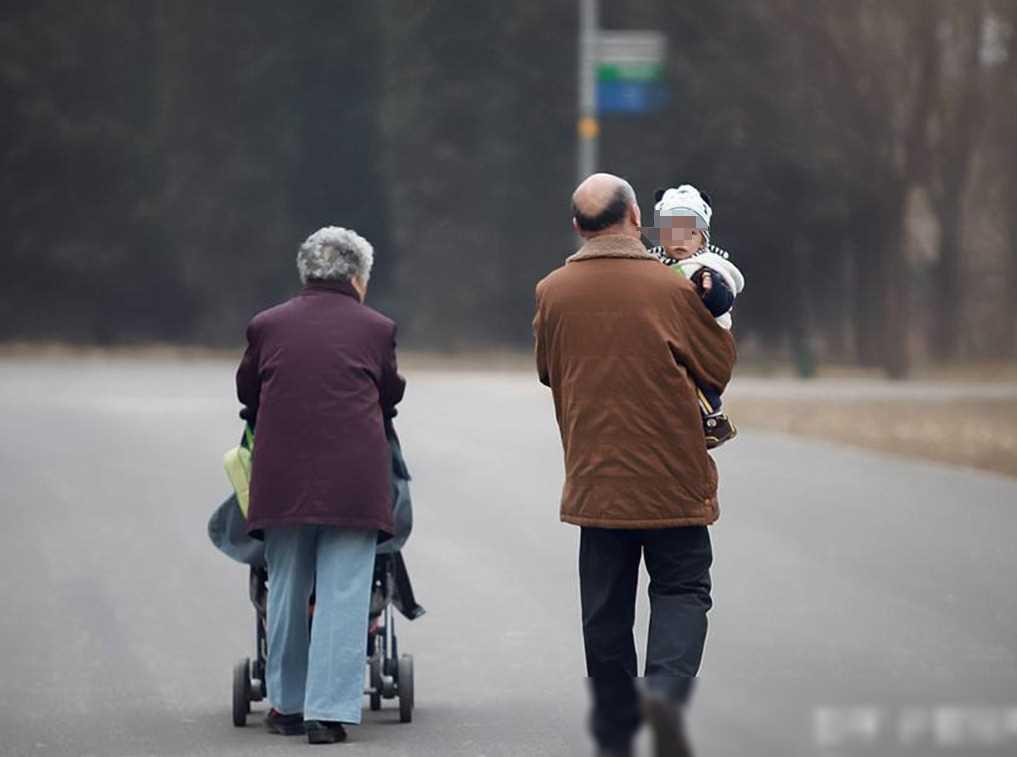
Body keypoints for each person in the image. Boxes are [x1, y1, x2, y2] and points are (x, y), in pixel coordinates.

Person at [532, 174, 736, 757]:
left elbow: (548, 369)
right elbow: (716, 368)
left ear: (577, 227)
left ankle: (618, 729)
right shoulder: (671, 288)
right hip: (674, 477)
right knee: (680, 588)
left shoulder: (552, 291)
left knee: (605, 607)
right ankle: (666, 707)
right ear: (636, 218)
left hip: (596, 478)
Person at [236, 226, 405, 744]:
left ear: (306, 273)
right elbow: (389, 394)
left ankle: (286, 705)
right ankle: (327, 715)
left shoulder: (266, 324)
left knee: (286, 588)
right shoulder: (377, 328)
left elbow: (248, 392)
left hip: (281, 481)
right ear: (357, 278)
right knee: (345, 591)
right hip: (354, 481)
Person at [648, 184, 745, 449]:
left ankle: (713, 416)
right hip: (669, 332)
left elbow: (725, 299)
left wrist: (711, 291)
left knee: (692, 376)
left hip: (702, 335)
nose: (679, 241)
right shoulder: (652, 262)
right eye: (671, 232)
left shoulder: (708, 267)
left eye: (689, 233)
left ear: (703, 237)